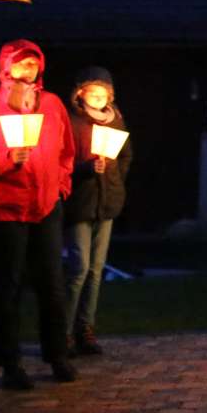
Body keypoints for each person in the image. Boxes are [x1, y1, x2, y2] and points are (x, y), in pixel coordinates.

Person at [0, 39, 77, 390]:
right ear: (6, 67)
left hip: (45, 205)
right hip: (3, 210)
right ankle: (10, 362)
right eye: (20, 64)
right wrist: (7, 161)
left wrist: (61, 186)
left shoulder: (53, 105)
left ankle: (57, 354)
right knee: (9, 285)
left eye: (32, 64)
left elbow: (66, 151)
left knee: (52, 283)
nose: (26, 71)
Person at [64, 66, 131, 356]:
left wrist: (115, 179)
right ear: (80, 93)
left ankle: (85, 328)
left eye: (104, 93)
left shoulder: (115, 121)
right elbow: (61, 160)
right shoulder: (72, 122)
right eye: (93, 92)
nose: (98, 97)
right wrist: (85, 169)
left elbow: (126, 154)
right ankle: (63, 332)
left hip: (107, 201)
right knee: (78, 268)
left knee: (96, 269)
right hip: (80, 201)